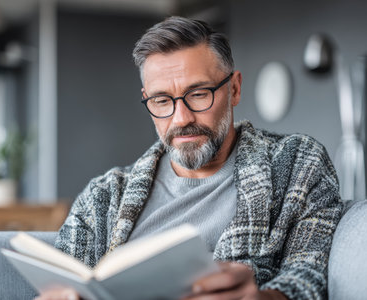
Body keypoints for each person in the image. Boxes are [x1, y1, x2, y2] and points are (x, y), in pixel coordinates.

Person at [36, 16, 343, 300]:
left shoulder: (297, 165)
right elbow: (66, 279)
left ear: (234, 89)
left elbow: (308, 276)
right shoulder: (102, 197)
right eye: (162, 100)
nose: (181, 118)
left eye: (198, 94)